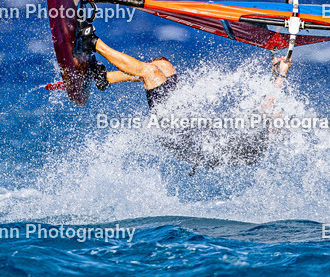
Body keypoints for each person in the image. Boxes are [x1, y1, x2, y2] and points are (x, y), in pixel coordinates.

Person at [74, 22, 290, 171]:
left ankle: (93, 42)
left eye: (276, 118)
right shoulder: (258, 131)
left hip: (175, 132)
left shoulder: (257, 138)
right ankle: (105, 78)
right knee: (162, 66)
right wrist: (275, 73)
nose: (276, 113)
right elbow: (269, 101)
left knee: (150, 73)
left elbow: (269, 103)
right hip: (185, 124)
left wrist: (281, 73)